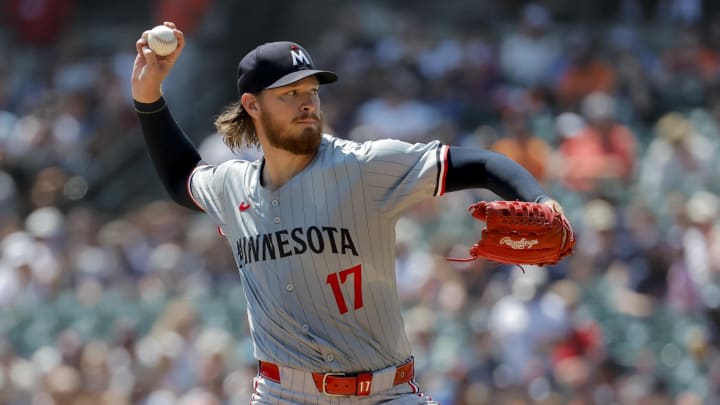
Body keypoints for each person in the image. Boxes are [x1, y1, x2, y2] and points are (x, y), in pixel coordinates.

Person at [131, 22, 570, 405]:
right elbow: (180, 178)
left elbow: (478, 163)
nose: (307, 102)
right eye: (290, 93)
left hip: (385, 393)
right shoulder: (233, 187)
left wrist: (539, 200)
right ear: (252, 105)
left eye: (312, 91)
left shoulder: (363, 167)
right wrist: (148, 97)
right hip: (283, 395)